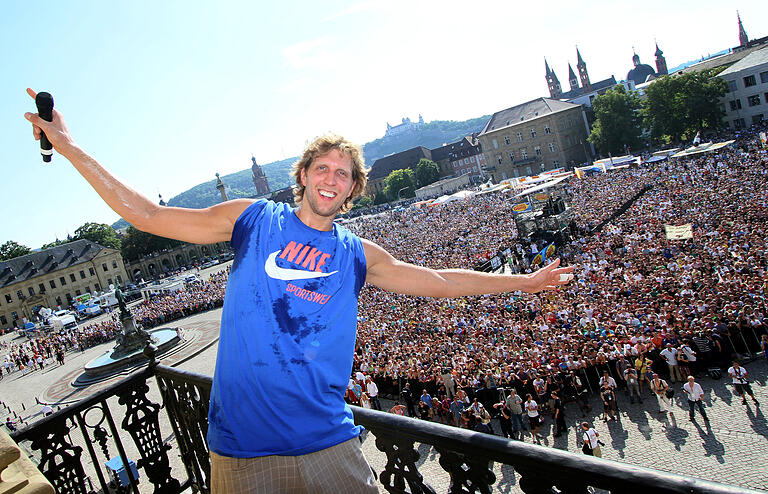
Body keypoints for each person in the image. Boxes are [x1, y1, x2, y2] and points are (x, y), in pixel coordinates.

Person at [24, 88, 574, 493]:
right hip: (244, 451)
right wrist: (69, 147)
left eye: (344, 173)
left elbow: (437, 281)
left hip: (330, 443)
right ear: (304, 173)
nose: (332, 178)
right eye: (323, 167)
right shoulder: (255, 220)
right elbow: (144, 213)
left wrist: (523, 281)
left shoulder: (355, 253)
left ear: (354, 188)